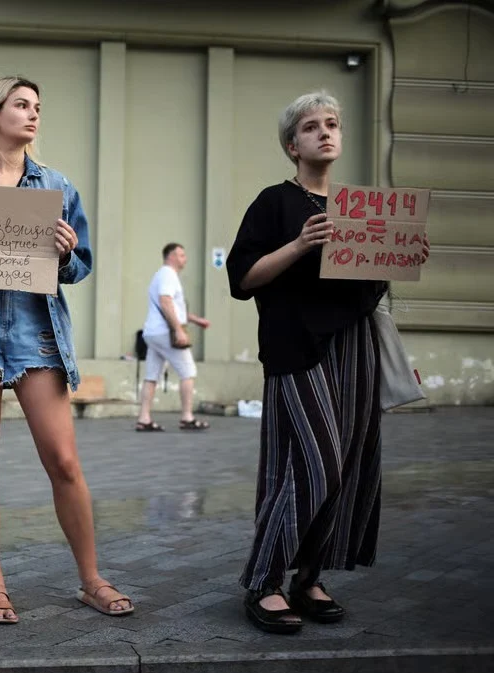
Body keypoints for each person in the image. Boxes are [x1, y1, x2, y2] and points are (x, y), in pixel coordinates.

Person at [0, 76, 134, 623]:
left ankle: (91, 579)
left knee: (63, 459)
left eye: (37, 106)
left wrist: (64, 255)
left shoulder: (55, 185)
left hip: (37, 329)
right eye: (20, 105)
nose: (32, 114)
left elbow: (81, 263)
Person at [226, 91, 429, 634]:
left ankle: (309, 576)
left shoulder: (360, 208)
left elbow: (366, 286)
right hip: (297, 346)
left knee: (354, 463)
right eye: (311, 127)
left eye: (332, 124)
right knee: (319, 463)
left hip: (355, 344)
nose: (325, 133)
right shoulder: (274, 202)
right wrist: (297, 245)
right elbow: (242, 278)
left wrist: (402, 255)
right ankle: (264, 580)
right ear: (293, 145)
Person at [135, 242, 211, 432]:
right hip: (165, 333)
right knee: (188, 371)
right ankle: (187, 417)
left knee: (151, 375)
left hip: (153, 332)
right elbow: (165, 301)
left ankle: (144, 419)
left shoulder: (161, 275)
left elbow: (172, 307)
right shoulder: (168, 274)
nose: (184, 259)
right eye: (181, 255)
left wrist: (195, 320)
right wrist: (179, 329)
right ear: (170, 257)